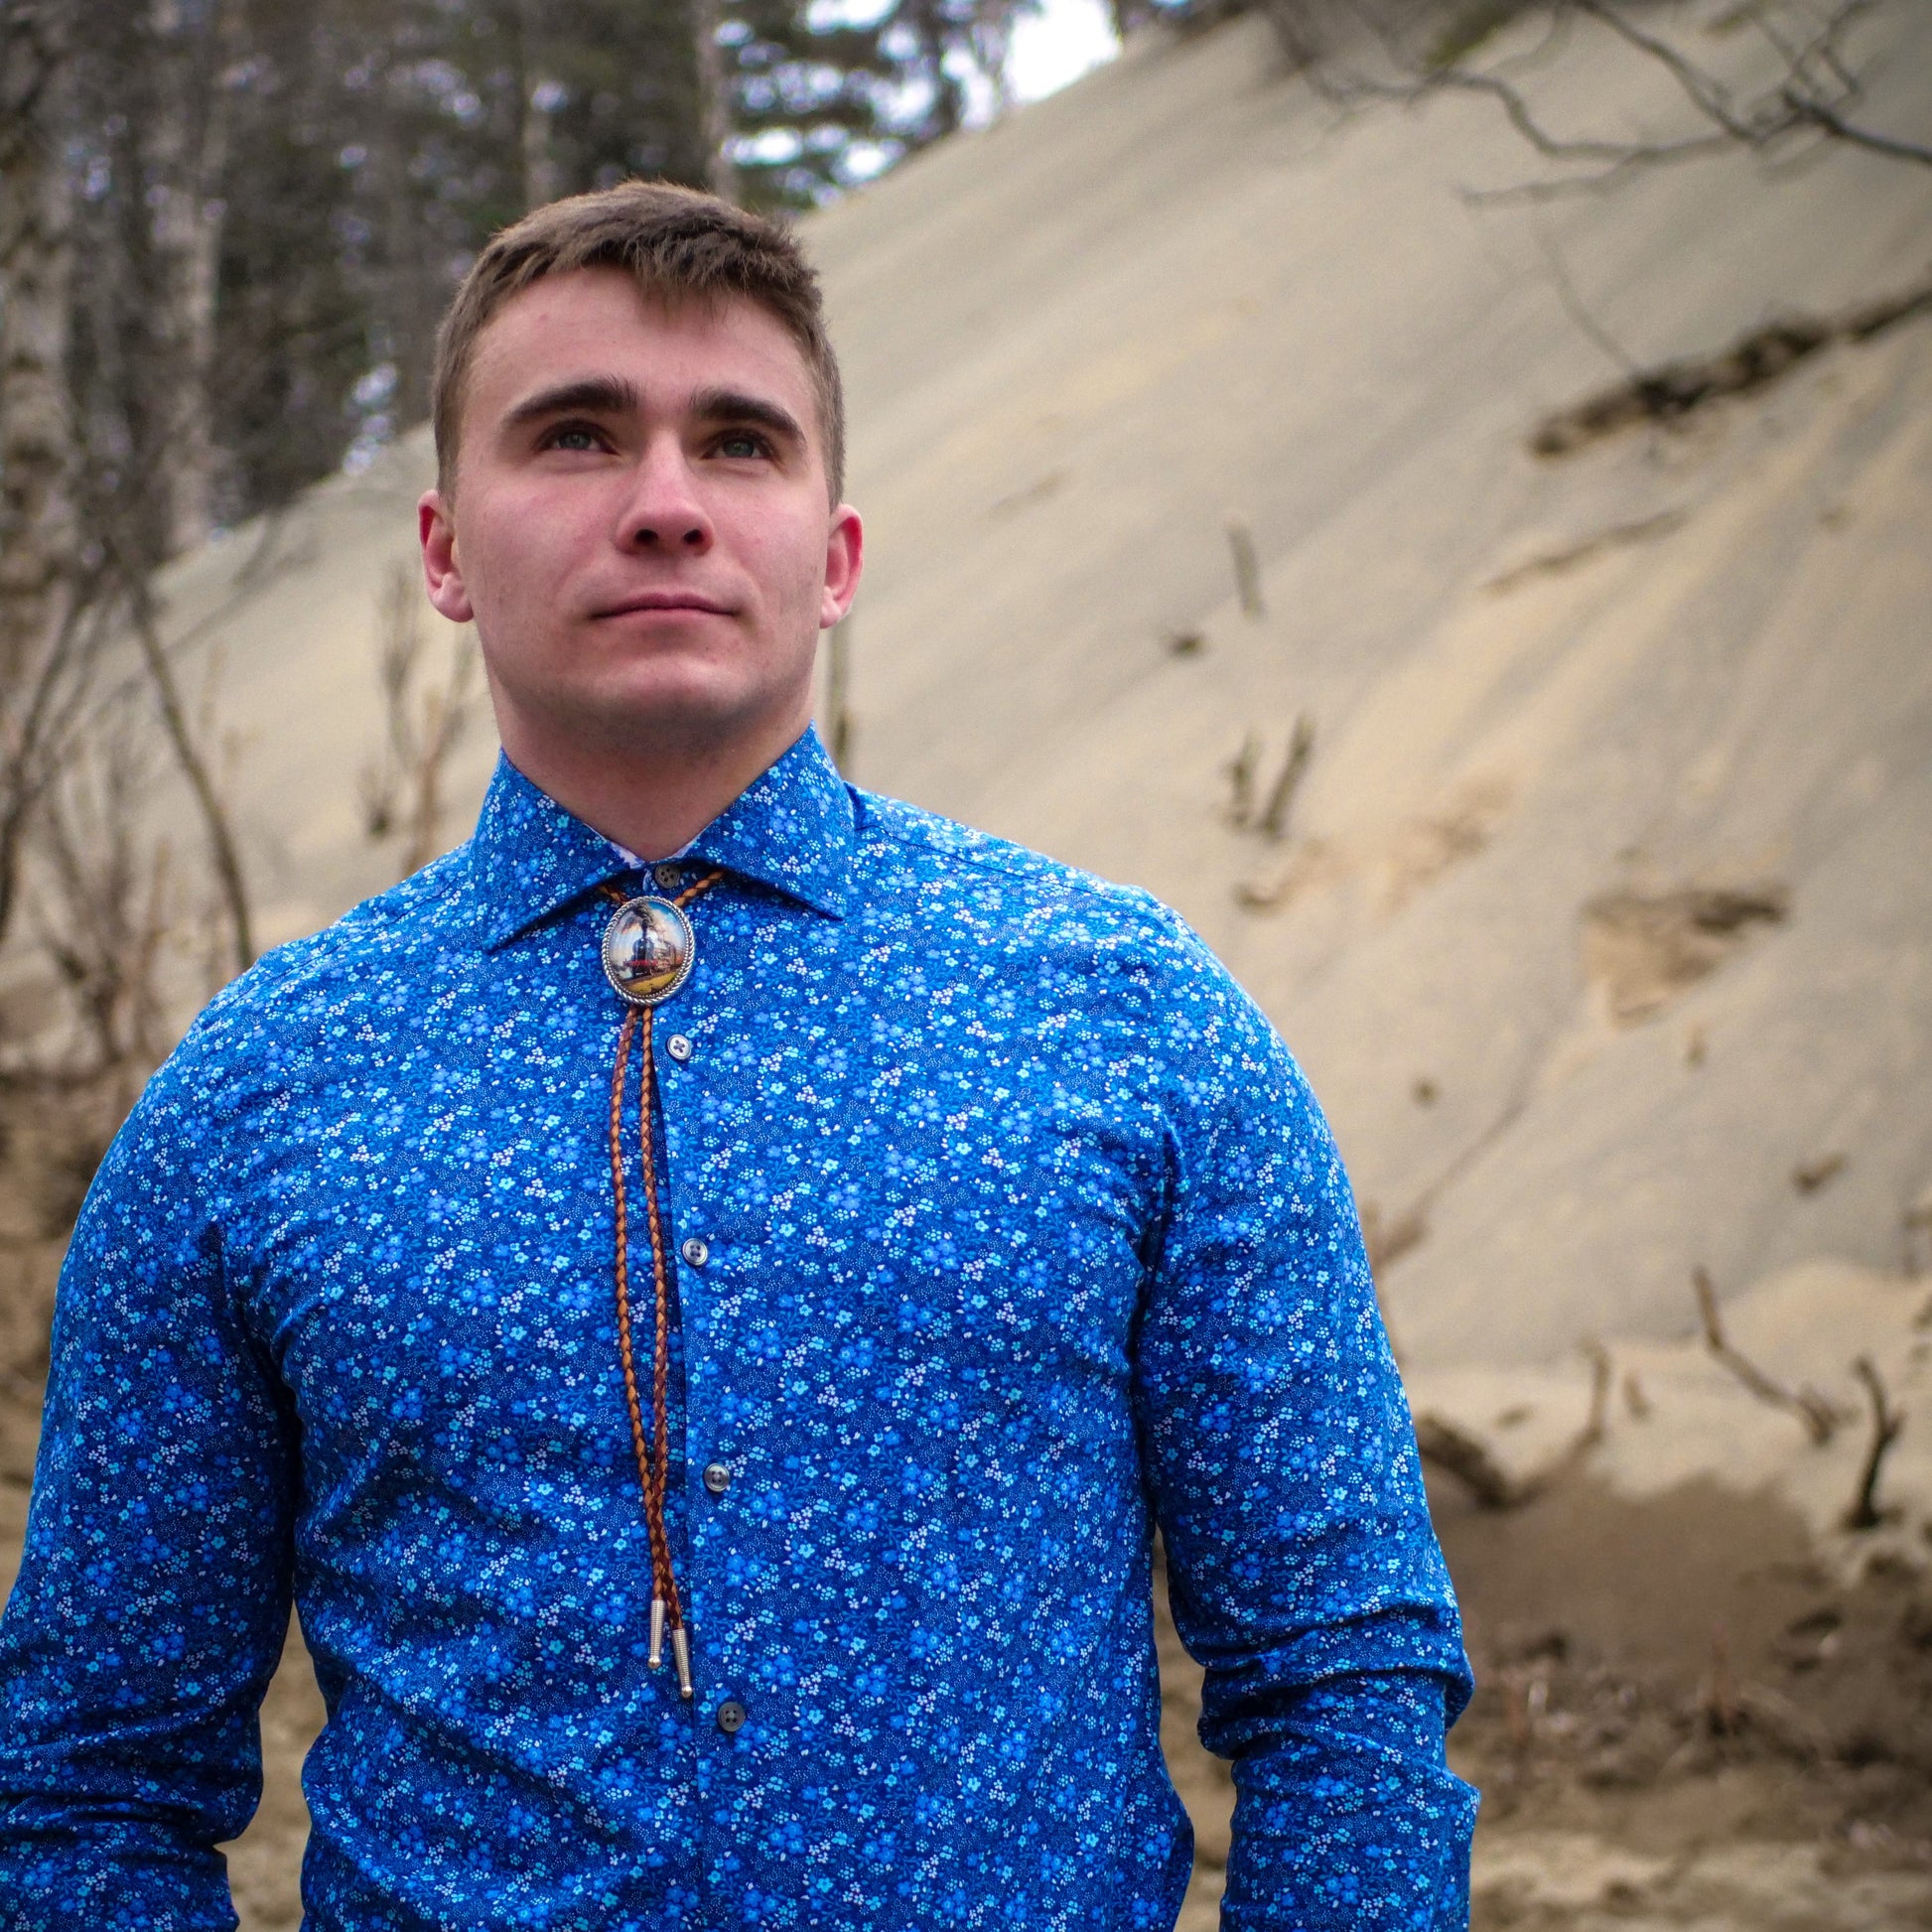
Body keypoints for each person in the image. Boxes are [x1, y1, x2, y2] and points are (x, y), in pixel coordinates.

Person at [0, 181, 1475, 1929]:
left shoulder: (1125, 1019)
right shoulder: (257, 1097)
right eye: (574, 436)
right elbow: (87, 1776)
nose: (665, 505)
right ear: (442, 550)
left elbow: (1345, 1682)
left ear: (833, 554)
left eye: (741, 443)